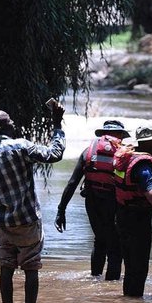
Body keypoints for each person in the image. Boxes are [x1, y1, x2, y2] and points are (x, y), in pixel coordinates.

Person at [0, 104, 65, 303]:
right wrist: (57, 123)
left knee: (6, 266)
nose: (14, 123)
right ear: (4, 127)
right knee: (31, 266)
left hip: (2, 224)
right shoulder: (20, 147)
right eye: (10, 120)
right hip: (28, 220)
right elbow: (55, 154)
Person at [55, 120, 130, 280]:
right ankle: (110, 289)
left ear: (103, 135)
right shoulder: (124, 155)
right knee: (115, 248)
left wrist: (61, 210)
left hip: (93, 203)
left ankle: (95, 279)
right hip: (113, 204)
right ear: (120, 135)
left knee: (100, 240)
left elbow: (72, 183)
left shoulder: (88, 152)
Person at [113, 123, 152, 297]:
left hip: (123, 216)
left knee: (131, 266)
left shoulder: (130, 156)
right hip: (137, 221)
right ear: (150, 141)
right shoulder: (144, 166)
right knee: (139, 268)